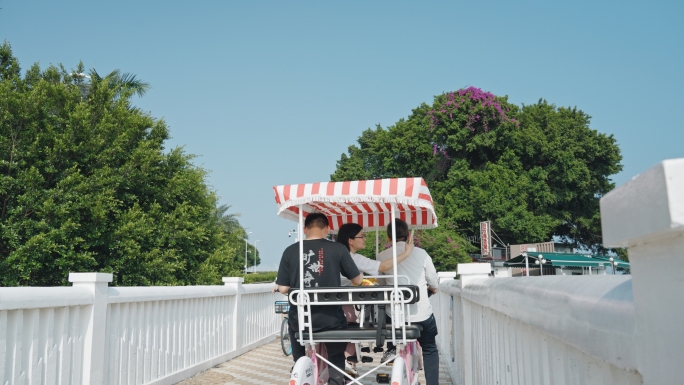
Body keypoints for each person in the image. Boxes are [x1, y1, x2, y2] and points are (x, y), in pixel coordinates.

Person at [276, 213, 362, 385]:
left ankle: (299, 362)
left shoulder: (290, 251)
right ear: (327, 229)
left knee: (295, 328)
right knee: (336, 356)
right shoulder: (338, 249)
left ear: (305, 229)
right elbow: (357, 280)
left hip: (301, 321)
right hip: (331, 320)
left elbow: (283, 288)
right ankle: (336, 379)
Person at [334, 223, 416, 377]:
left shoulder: (333, 255)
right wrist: (407, 253)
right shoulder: (352, 258)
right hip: (343, 313)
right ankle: (348, 360)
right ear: (350, 240)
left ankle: (346, 363)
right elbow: (383, 267)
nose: (365, 239)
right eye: (362, 236)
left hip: (323, 310)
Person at [377, 218, 439, 385]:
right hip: (421, 315)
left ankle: (392, 352)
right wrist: (433, 288)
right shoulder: (422, 253)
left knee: (391, 321)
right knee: (429, 347)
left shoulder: (382, 256)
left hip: (396, 317)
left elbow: (381, 284)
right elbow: (433, 280)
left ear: (389, 237)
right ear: (408, 235)